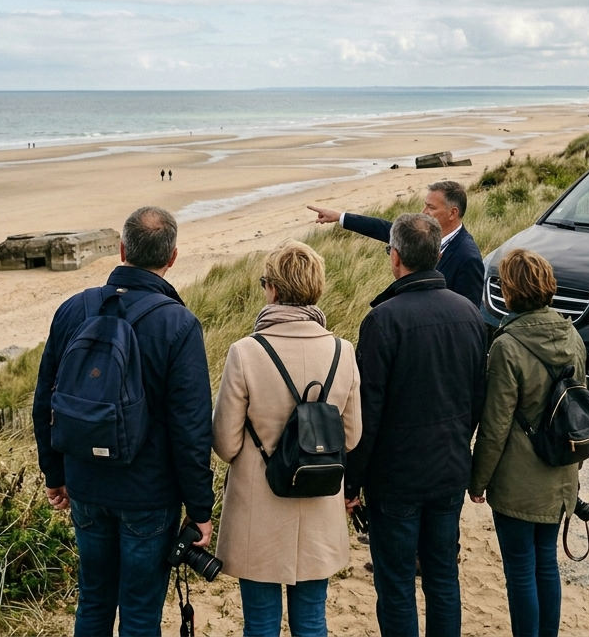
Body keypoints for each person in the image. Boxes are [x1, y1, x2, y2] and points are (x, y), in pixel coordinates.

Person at [32, 206, 215, 637]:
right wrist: (201, 509)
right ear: (172, 257)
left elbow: (44, 401)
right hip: (148, 493)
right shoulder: (179, 323)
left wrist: (53, 473)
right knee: (138, 612)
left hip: (85, 483)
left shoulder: (73, 310)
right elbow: (190, 428)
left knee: (93, 601)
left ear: (120, 250)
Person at [345, 213, 488, 637]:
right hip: (448, 468)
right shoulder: (470, 314)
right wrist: (460, 443)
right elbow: (477, 398)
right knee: (443, 576)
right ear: (438, 253)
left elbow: (366, 413)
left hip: (397, 478)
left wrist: (352, 483)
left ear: (395, 257)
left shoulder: (383, 321)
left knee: (396, 582)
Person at [213, 241, 362, 637]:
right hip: (318, 502)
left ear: (273, 290)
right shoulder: (342, 351)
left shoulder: (246, 352)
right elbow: (350, 436)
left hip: (258, 508)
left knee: (260, 624)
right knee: (312, 622)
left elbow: (225, 444)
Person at [468, 249, 585, 637]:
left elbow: (496, 423)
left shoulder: (507, 346)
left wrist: (478, 480)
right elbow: (578, 407)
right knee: (545, 565)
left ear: (510, 291)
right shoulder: (572, 336)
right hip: (560, 471)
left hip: (519, 482)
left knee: (520, 571)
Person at [307, 180, 484, 308]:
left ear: (452, 213)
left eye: (431, 207)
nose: (423, 212)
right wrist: (340, 217)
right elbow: (382, 228)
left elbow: (470, 315)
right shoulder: (423, 234)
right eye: (425, 205)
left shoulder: (468, 257)